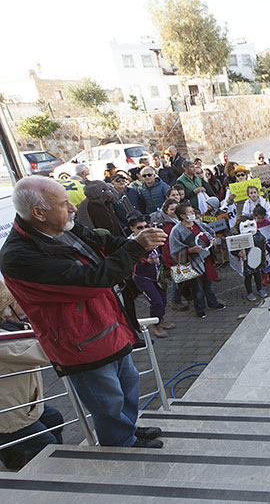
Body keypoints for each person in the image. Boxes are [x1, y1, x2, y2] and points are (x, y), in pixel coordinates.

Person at [0, 176, 167, 448]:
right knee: (107, 401)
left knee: (127, 385)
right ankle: (121, 444)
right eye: (64, 204)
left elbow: (101, 242)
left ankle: (128, 430)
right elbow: (91, 279)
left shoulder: (60, 226)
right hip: (79, 343)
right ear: (38, 213)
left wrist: (132, 242)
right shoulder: (19, 257)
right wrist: (136, 248)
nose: (73, 208)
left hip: (109, 326)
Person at [0, 322, 64, 470]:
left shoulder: (12, 326)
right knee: (45, 445)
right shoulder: (5, 341)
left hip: (22, 400)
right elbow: (42, 352)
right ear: (7, 312)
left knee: (54, 418)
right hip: (10, 411)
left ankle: (14, 457)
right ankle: (46, 473)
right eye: (15, 302)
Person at [169, 203, 225, 319]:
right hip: (193, 262)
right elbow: (175, 251)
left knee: (209, 283)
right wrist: (189, 250)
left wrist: (212, 241)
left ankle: (213, 302)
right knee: (197, 287)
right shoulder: (177, 230)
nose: (192, 214)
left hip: (206, 258)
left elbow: (209, 234)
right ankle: (200, 308)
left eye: (192, 212)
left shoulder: (198, 224)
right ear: (182, 215)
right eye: (190, 212)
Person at [128, 213, 172, 338]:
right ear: (132, 228)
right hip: (143, 277)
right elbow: (130, 261)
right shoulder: (130, 242)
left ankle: (160, 319)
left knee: (163, 299)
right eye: (139, 228)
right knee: (156, 301)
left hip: (157, 275)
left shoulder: (152, 237)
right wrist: (146, 261)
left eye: (146, 226)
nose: (144, 230)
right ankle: (154, 325)